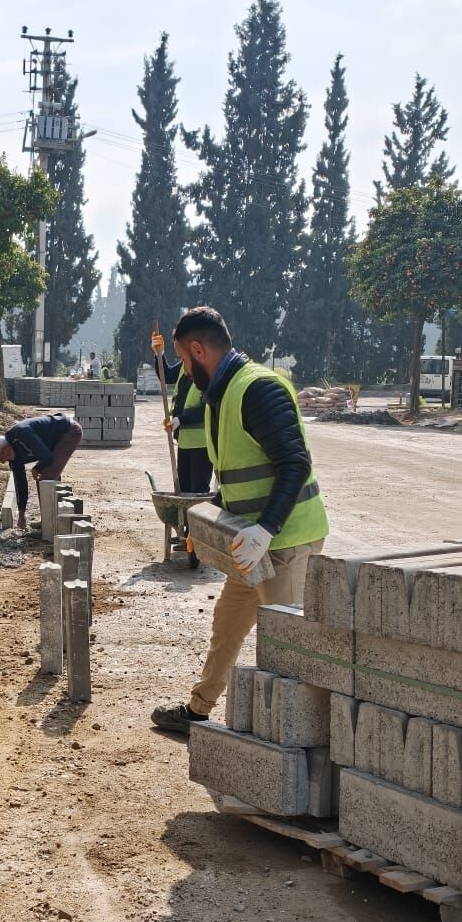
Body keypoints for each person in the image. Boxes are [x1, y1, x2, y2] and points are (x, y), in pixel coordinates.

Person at [151, 306, 329, 736]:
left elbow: (294, 464)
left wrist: (266, 530)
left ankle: (300, 739)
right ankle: (198, 709)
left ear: (198, 349)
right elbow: (235, 477)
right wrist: (210, 524)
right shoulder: (221, 394)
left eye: (185, 362)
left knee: (286, 645)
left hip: (286, 542)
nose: (186, 374)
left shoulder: (259, 389)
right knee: (227, 624)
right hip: (249, 543)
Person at [0, 411, 83, 532]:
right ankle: (48, 521)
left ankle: (49, 527)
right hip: (53, 440)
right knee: (46, 474)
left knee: (46, 475)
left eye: (0, 458)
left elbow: (47, 457)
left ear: (4, 450)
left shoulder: (22, 434)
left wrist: (36, 468)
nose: (1, 462)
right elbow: (20, 484)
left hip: (69, 432)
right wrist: (21, 515)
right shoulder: (13, 459)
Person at [148, 327, 212, 495]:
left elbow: (208, 409)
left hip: (202, 445)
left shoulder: (207, 370)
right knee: (183, 490)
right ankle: (184, 521)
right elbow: (166, 375)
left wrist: (180, 419)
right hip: (184, 441)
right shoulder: (185, 364)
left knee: (198, 492)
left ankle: (195, 521)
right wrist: (159, 354)